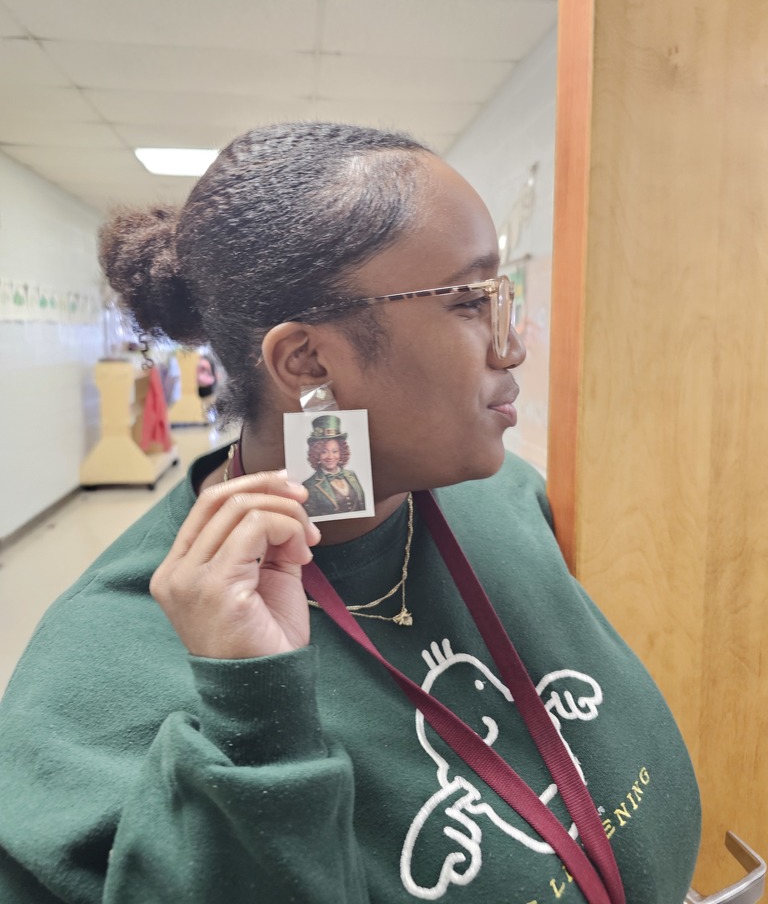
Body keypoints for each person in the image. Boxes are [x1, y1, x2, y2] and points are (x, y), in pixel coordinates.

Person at [0, 123, 700, 904]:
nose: (515, 346)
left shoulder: (507, 502)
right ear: (308, 363)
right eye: (471, 302)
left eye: (502, 297)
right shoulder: (90, 686)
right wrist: (255, 718)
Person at [302, 415, 367, 516]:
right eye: (324, 452)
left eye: (335, 451)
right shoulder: (309, 486)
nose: (330, 456)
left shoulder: (352, 475)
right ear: (316, 454)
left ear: (341, 452)